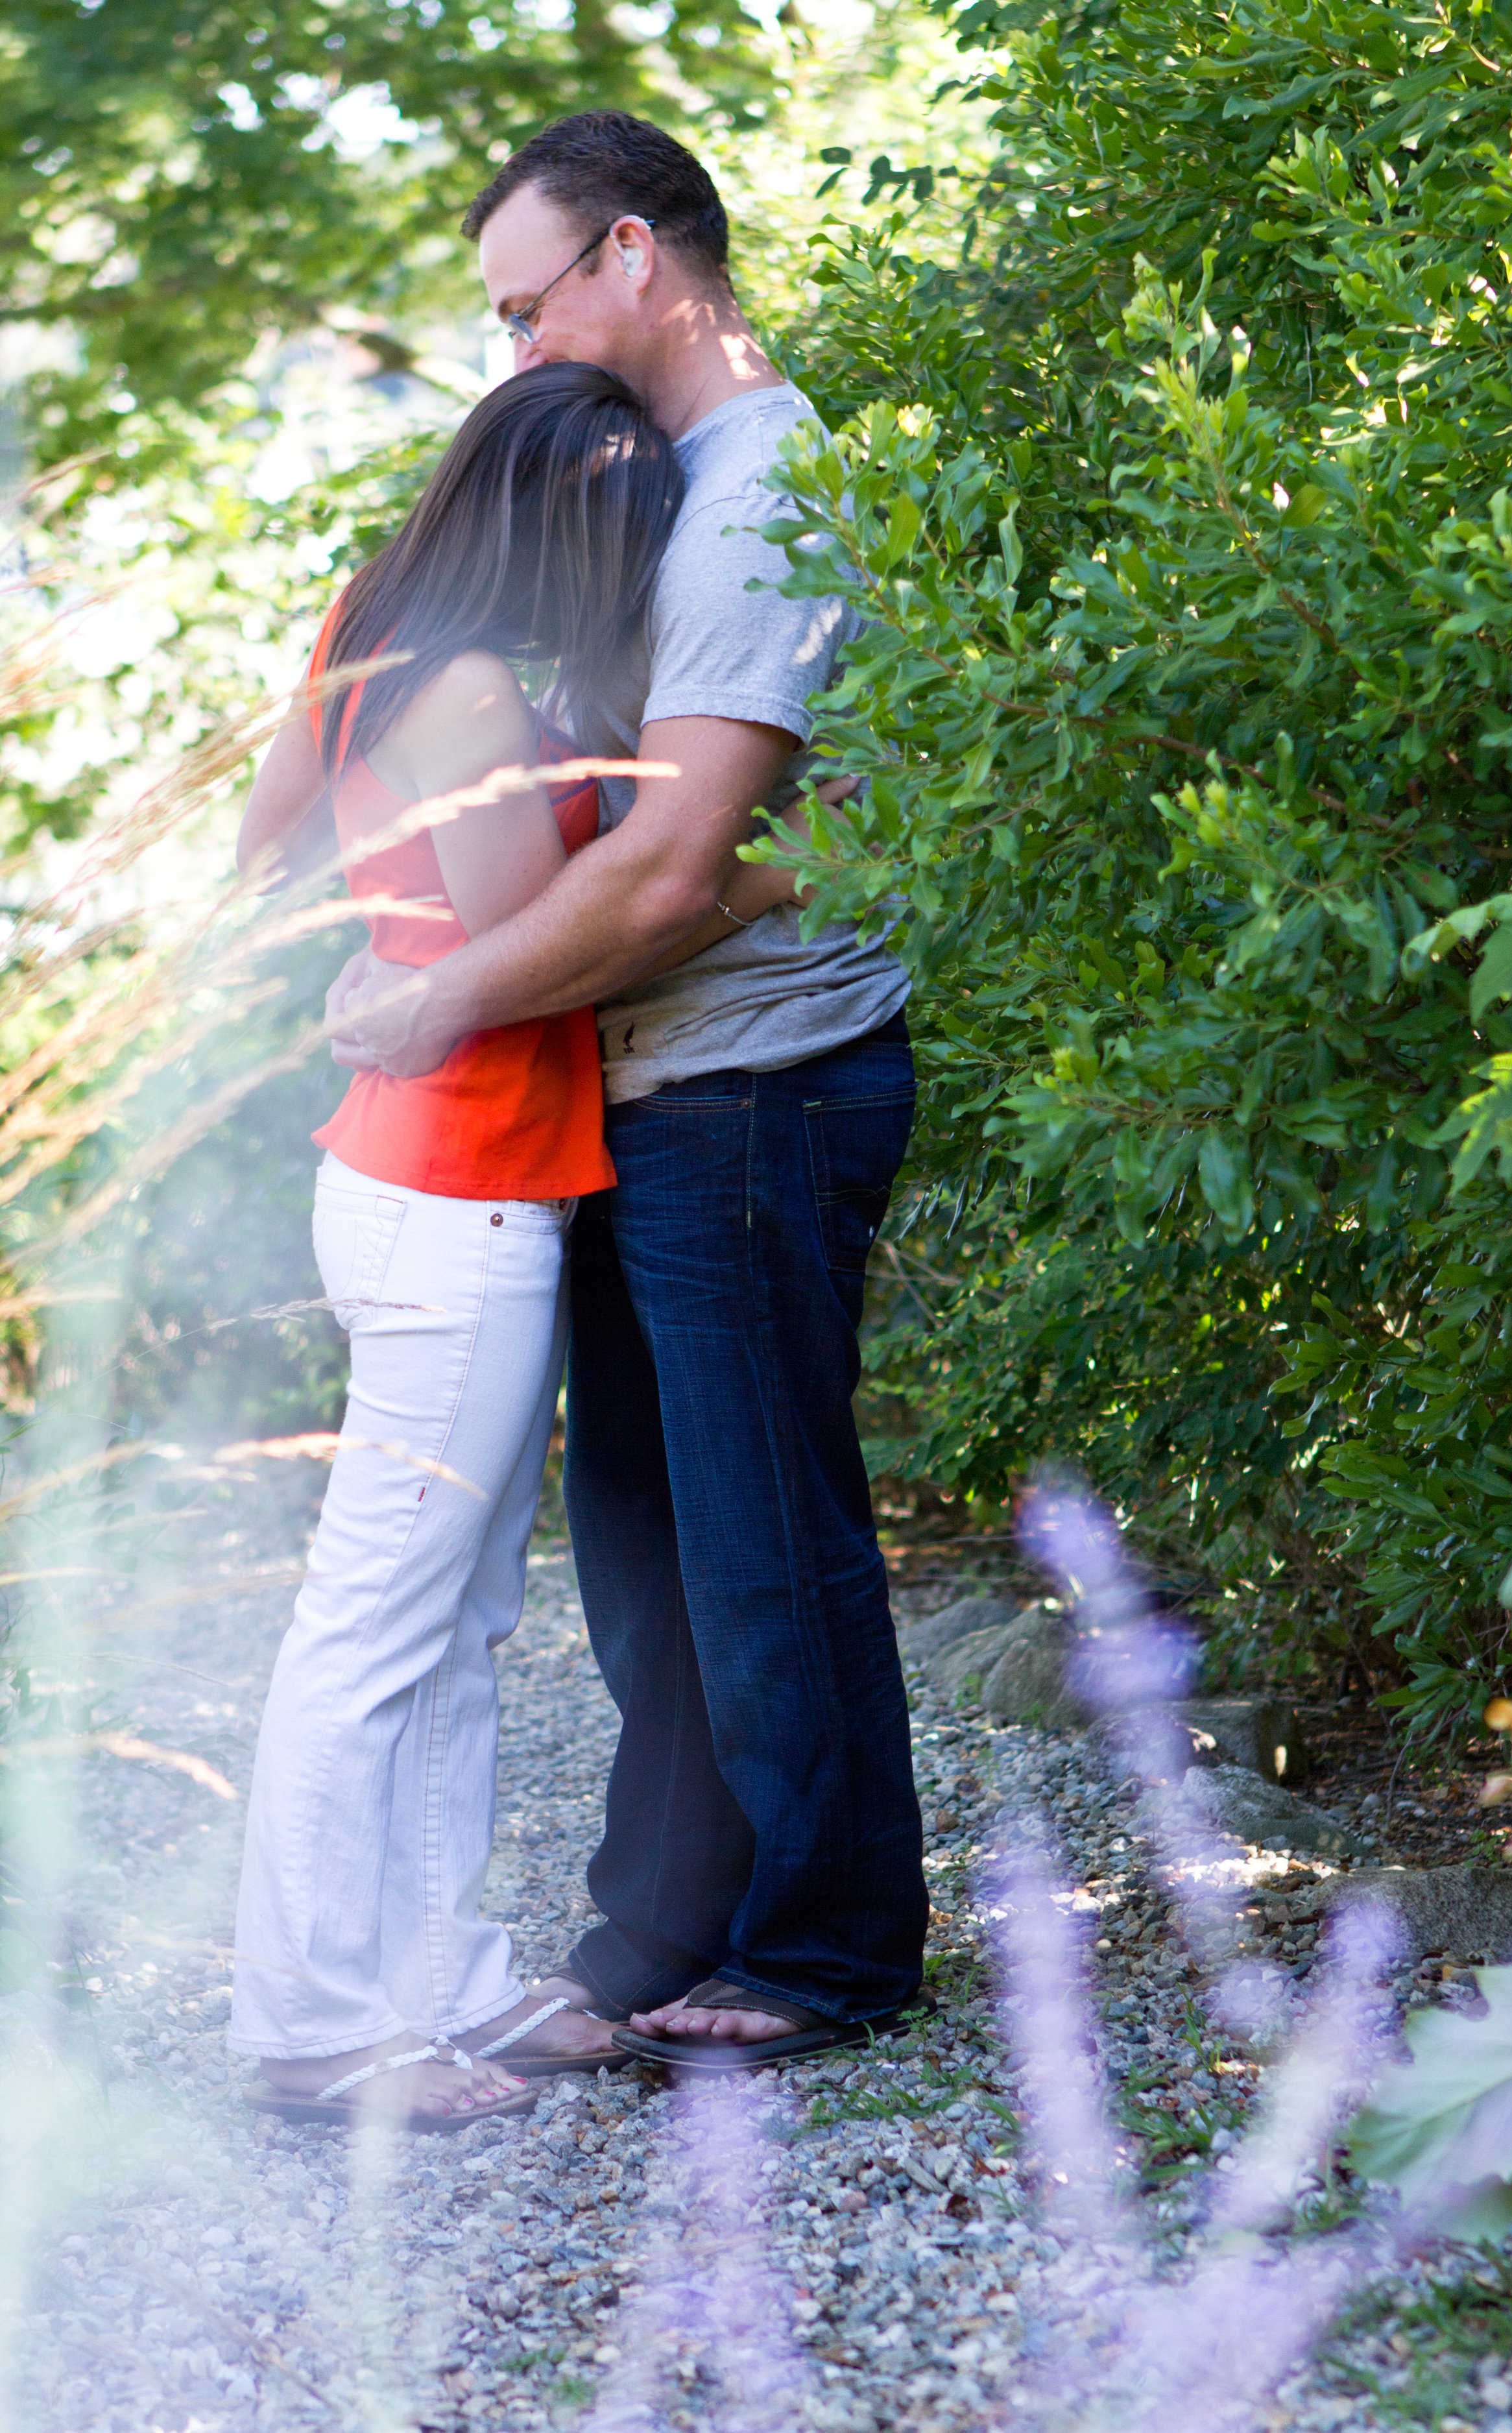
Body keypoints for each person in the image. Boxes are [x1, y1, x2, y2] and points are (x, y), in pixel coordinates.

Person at [324, 112, 930, 2070]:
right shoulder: (658, 482)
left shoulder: (756, 501)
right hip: (643, 1085)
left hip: (751, 1087)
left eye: (528, 303)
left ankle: (828, 1949)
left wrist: (440, 999)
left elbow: (677, 871)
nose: (513, 354)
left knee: (759, 1537)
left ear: (639, 259)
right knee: (652, 1546)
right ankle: (661, 1933)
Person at [228, 361, 805, 2127]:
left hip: (443, 1182)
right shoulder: (467, 682)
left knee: (458, 1618)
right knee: (381, 1625)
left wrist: (376, 930)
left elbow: (268, 855)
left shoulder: (371, 623)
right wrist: (767, 863)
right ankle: (316, 2029)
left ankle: (442, 1987)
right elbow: (517, 936)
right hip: (452, 1193)